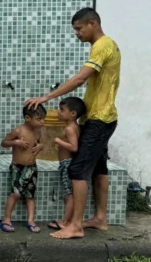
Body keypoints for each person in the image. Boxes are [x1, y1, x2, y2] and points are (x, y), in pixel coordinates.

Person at [25, 7, 121, 240]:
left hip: (100, 119)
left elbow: (80, 78)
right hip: (102, 117)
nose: (76, 33)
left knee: (78, 170)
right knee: (99, 169)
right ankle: (99, 218)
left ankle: (75, 225)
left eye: (78, 29)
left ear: (92, 24)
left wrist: (47, 97)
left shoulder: (102, 46)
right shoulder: (107, 45)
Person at [0, 104, 46, 233]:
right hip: (18, 168)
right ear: (27, 118)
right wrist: (16, 142)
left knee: (30, 196)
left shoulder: (38, 130)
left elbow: (41, 142)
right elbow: (4, 143)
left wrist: (41, 146)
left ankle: (31, 220)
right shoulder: (18, 131)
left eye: (43, 119)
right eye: (39, 119)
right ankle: (6, 219)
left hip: (32, 168)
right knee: (15, 194)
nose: (42, 122)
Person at [49, 97, 86, 232]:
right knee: (70, 194)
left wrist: (58, 141)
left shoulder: (70, 128)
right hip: (67, 163)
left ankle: (65, 222)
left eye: (62, 110)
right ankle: (68, 220)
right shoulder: (73, 126)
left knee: (69, 195)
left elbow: (74, 147)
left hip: (67, 164)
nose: (59, 112)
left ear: (73, 114)